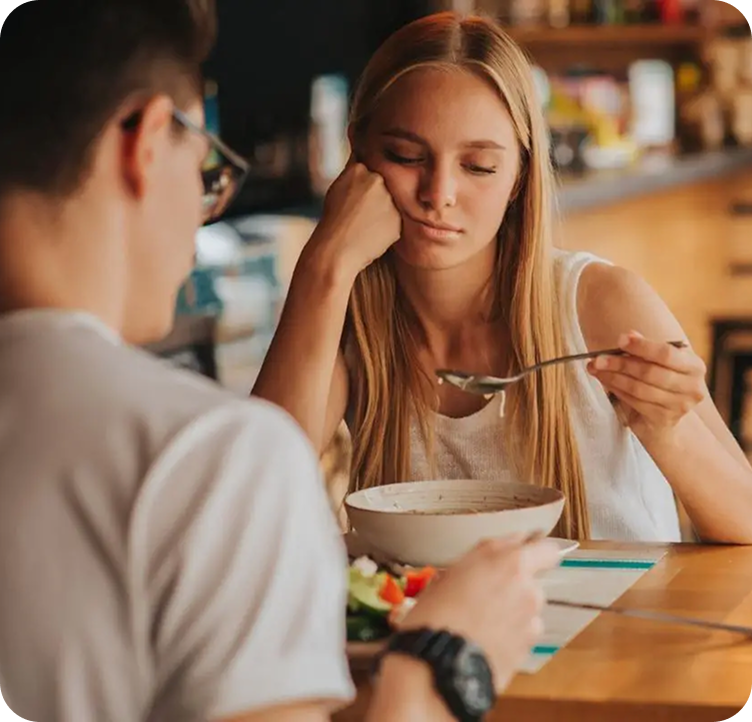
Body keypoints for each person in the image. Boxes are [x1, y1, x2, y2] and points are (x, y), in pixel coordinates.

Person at [0, 2, 559, 722]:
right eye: (205, 160)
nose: (205, 206)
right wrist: (443, 666)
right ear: (143, 142)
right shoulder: (206, 459)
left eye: (479, 164)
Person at [253, 11, 752, 545]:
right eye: (405, 155)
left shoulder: (601, 304)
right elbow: (249, 499)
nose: (439, 192)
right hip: (438, 630)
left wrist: (670, 431)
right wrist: (323, 264)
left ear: (518, 177)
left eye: (479, 167)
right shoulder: (347, 322)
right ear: (358, 154)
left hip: (618, 624)